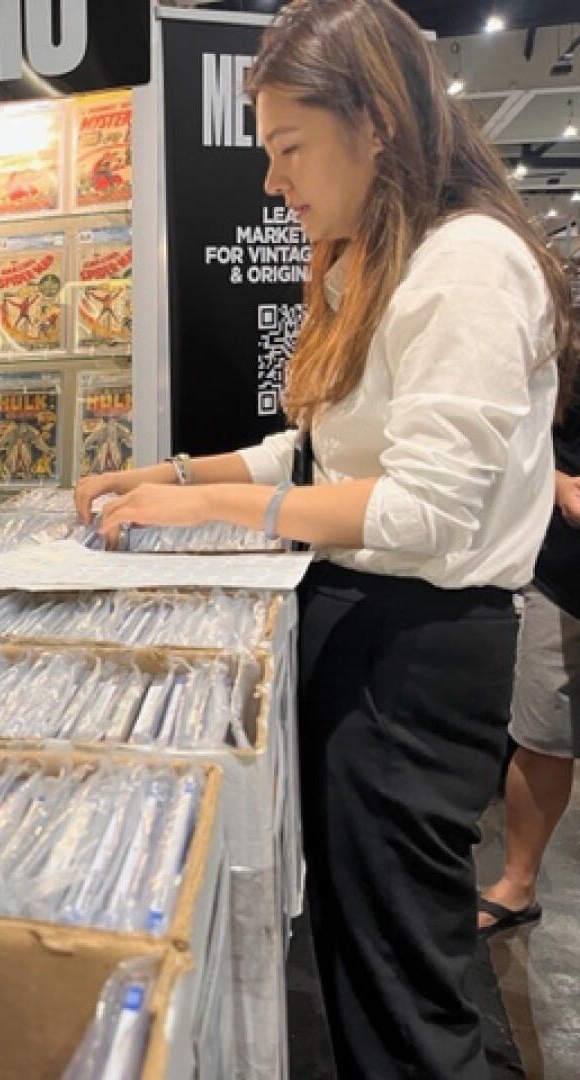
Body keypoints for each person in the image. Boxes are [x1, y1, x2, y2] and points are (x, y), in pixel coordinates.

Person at [74, 1, 576, 1075]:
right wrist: (167, 475)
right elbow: (312, 453)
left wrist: (210, 510)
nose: (274, 182)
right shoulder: (379, 261)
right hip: (370, 631)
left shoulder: (466, 266)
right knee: (372, 957)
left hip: (422, 650)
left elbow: (424, 508)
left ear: (376, 122)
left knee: (404, 985)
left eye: (289, 147)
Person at [478, 366, 580, 938]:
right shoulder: (562, 343)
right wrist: (559, 485)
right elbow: (522, 437)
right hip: (563, 574)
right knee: (541, 735)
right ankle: (517, 884)